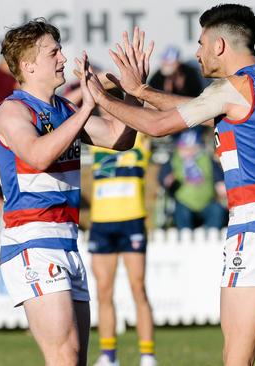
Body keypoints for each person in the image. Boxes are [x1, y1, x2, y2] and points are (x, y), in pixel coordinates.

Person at [85, 5, 255, 365]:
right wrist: (142, 90)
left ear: (218, 45)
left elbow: (157, 126)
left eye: (200, 43)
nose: (196, 53)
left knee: (237, 356)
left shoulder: (230, 89)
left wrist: (102, 98)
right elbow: (205, 108)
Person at [0, 19, 144, 366]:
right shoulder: (12, 111)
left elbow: (120, 138)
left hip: (66, 241)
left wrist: (133, 90)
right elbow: (38, 154)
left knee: (76, 359)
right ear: (28, 65)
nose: (63, 58)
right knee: (63, 356)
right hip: (32, 240)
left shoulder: (64, 110)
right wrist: (89, 105)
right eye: (53, 52)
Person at [89, 132, 157, 366]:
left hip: (132, 219)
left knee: (138, 288)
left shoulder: (138, 135)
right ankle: (109, 355)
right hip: (101, 222)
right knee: (103, 291)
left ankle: (147, 355)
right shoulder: (97, 136)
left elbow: (150, 106)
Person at [158, 129, 227, 229]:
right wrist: (167, 181)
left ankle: (211, 237)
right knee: (181, 213)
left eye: (192, 148)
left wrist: (221, 186)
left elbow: (219, 180)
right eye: (185, 148)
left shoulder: (206, 159)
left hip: (207, 202)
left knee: (217, 211)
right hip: (184, 203)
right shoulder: (173, 161)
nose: (189, 151)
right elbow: (163, 180)